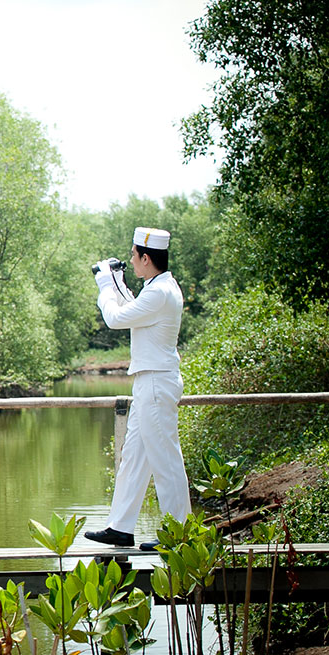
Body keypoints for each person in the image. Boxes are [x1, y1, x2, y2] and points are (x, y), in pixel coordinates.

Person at [85, 227, 191, 551]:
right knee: (134, 456)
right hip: (150, 382)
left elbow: (116, 318)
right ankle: (121, 527)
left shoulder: (159, 293)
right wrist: (118, 282)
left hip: (156, 382)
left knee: (165, 459)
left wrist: (106, 286)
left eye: (133, 256)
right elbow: (133, 310)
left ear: (146, 258)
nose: (130, 261)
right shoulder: (158, 287)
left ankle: (179, 533)